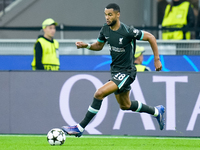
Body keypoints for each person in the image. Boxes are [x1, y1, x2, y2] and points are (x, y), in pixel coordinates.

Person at [62, 3, 165, 137]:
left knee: (99, 93)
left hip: (127, 72)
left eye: (110, 15)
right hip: (116, 71)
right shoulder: (105, 29)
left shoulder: (128, 31)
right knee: (125, 105)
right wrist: (86, 46)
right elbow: (99, 45)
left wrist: (156, 59)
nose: (107, 18)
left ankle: (80, 127)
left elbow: (150, 37)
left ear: (118, 14)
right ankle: (156, 111)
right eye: (105, 15)